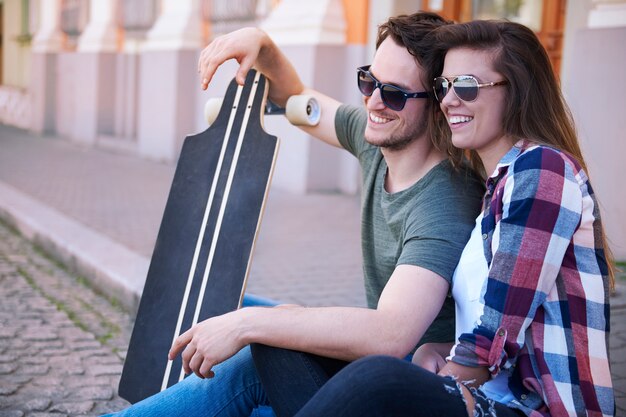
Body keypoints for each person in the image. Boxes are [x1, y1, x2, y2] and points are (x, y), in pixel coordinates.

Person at [103, 12, 484, 417]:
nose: (373, 101)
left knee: (256, 349)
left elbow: (390, 333)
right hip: (372, 364)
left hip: (399, 388)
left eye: (393, 94)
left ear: (438, 105)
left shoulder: (444, 201)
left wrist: (251, 324)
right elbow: (294, 97)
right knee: (221, 302)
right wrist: (261, 43)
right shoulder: (377, 140)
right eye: (368, 81)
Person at [286, 19, 616, 417]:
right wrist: (435, 350)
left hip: (534, 408)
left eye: (467, 86)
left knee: (377, 377)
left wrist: (438, 377)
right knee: (282, 351)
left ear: (517, 92)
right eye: (444, 86)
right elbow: (506, 332)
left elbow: (498, 332)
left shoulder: (542, 171)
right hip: (492, 394)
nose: (449, 101)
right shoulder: (496, 186)